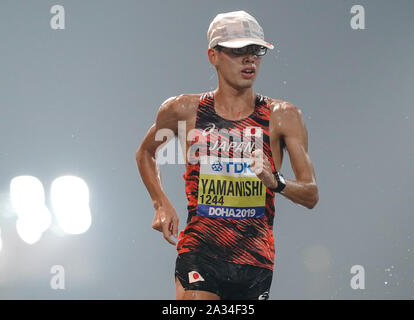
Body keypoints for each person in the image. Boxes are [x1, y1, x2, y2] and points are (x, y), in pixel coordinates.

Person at [136, 10, 318, 300]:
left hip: (254, 259)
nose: (250, 59)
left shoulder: (284, 117)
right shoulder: (183, 110)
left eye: (256, 50)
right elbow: (146, 153)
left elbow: (310, 194)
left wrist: (275, 181)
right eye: (238, 51)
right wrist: (161, 204)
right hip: (200, 250)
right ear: (213, 55)